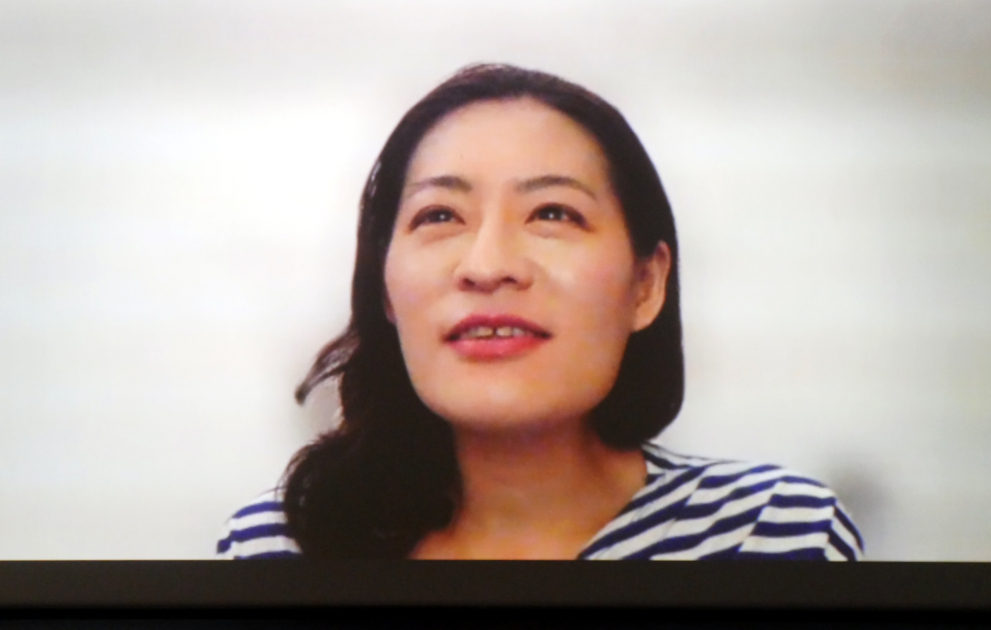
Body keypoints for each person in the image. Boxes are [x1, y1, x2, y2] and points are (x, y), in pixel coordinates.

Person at [216, 63, 863, 560]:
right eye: (439, 216)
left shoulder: (773, 535)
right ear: (384, 290)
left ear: (646, 284)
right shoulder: (281, 548)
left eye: (553, 213)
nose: (488, 264)